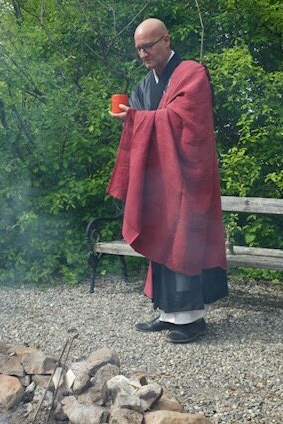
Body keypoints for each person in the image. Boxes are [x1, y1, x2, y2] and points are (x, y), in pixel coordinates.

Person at [108, 18, 228, 343]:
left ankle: (192, 320)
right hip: (159, 181)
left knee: (184, 244)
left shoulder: (192, 73)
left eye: (148, 45)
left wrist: (136, 118)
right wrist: (132, 119)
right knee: (161, 240)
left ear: (166, 40)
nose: (143, 53)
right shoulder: (146, 85)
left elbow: (184, 120)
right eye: (139, 49)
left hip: (187, 178)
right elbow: (144, 124)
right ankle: (166, 313)